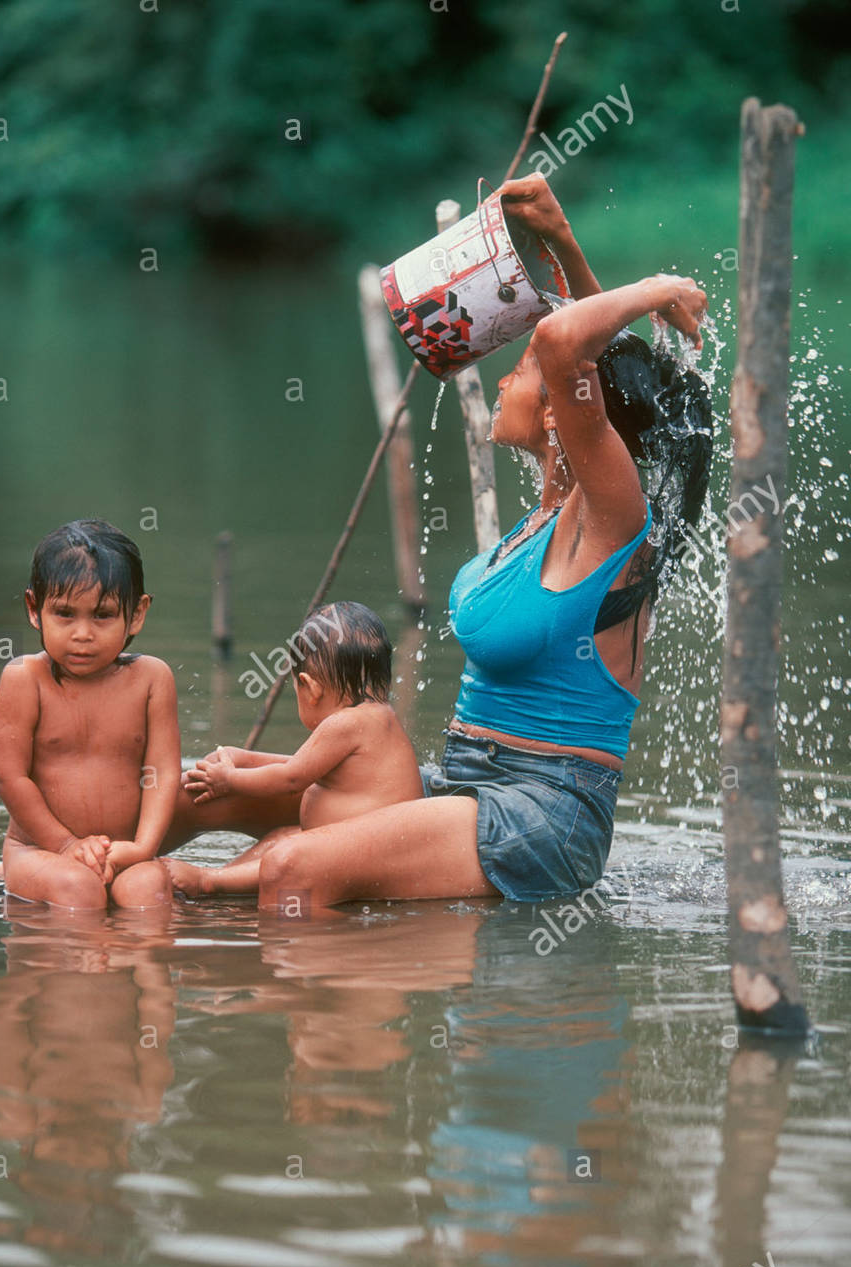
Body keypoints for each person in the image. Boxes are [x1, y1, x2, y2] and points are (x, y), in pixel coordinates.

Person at [163, 174, 712, 909]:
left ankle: (243, 962)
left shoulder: (611, 522)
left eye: (519, 369)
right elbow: (586, 364)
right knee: (195, 791)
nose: (507, 370)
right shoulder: (547, 515)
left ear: (560, 410)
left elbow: (563, 346)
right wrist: (556, 236)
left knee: (297, 871)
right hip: (459, 783)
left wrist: (656, 286)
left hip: (542, 815)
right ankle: (69, 881)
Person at [163, 602, 424, 897]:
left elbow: (291, 779)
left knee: (288, 848)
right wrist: (247, 758)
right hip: (377, 854)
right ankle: (220, 881)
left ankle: (208, 881)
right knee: (281, 837)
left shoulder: (345, 723)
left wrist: (228, 780)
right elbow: (308, 765)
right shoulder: (380, 716)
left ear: (309, 688)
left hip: (360, 860)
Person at [0, 520, 180, 909]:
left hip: (124, 853)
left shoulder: (151, 679)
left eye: (103, 615)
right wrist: (67, 845)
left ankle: (146, 968)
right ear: (34, 609)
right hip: (38, 852)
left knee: (150, 894)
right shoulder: (26, 680)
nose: (82, 633)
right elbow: (10, 776)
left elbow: (163, 771)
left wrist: (143, 847)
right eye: (64, 614)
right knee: (78, 890)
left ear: (138, 613)